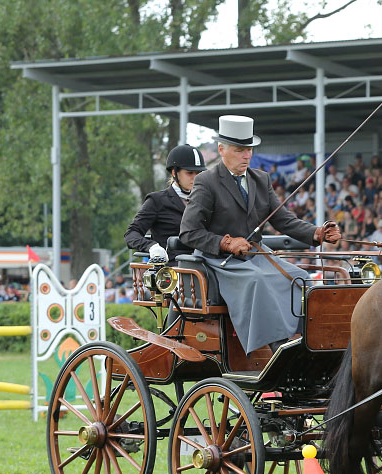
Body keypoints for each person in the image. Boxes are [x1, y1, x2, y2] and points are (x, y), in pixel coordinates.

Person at [180, 115, 340, 356]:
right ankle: (277, 348)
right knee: (258, 280)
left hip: (256, 254)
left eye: (249, 150)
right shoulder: (206, 181)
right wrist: (226, 242)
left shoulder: (260, 179)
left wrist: (317, 233)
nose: (247, 156)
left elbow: (283, 219)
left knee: (299, 276)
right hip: (220, 262)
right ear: (221, 150)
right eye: (239, 150)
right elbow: (189, 232)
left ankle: (302, 340)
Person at [125, 144, 207, 261]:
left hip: (204, 265)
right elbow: (131, 233)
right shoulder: (157, 201)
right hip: (171, 270)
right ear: (174, 173)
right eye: (189, 173)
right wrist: (151, 246)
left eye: (198, 173)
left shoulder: (206, 199)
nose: (195, 178)